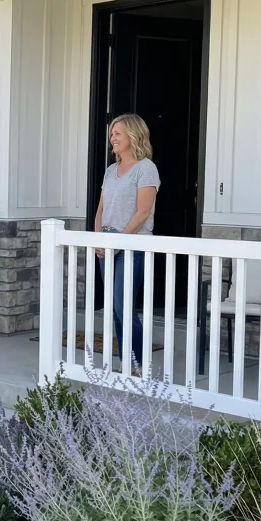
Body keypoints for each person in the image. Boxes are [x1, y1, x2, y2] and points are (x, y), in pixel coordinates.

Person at [93, 113, 160, 373]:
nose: (113, 138)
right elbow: (101, 208)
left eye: (117, 133)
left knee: (123, 306)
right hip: (106, 244)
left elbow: (143, 211)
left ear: (133, 135)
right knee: (114, 309)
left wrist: (118, 242)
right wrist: (97, 239)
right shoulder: (111, 171)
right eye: (112, 134)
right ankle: (127, 363)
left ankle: (140, 365)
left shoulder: (146, 168)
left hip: (131, 245)